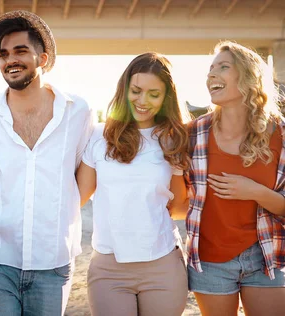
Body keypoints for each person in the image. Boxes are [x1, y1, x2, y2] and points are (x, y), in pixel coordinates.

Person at [0, 10, 95, 316]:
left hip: (54, 262)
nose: (10, 61)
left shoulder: (78, 111)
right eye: (3, 54)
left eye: (20, 51)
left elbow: (80, 182)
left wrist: (52, 214)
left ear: (43, 58)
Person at [76, 52, 190, 315]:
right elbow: (78, 197)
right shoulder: (98, 135)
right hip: (108, 269)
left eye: (154, 94)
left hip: (163, 266)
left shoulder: (173, 140)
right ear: (125, 89)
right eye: (136, 91)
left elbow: (179, 206)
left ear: (166, 98)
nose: (142, 101)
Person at [185, 41, 285, 315]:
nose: (211, 75)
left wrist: (255, 191)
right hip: (211, 260)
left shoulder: (281, 135)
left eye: (223, 67)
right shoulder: (192, 134)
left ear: (249, 77)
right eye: (210, 69)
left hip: (266, 258)